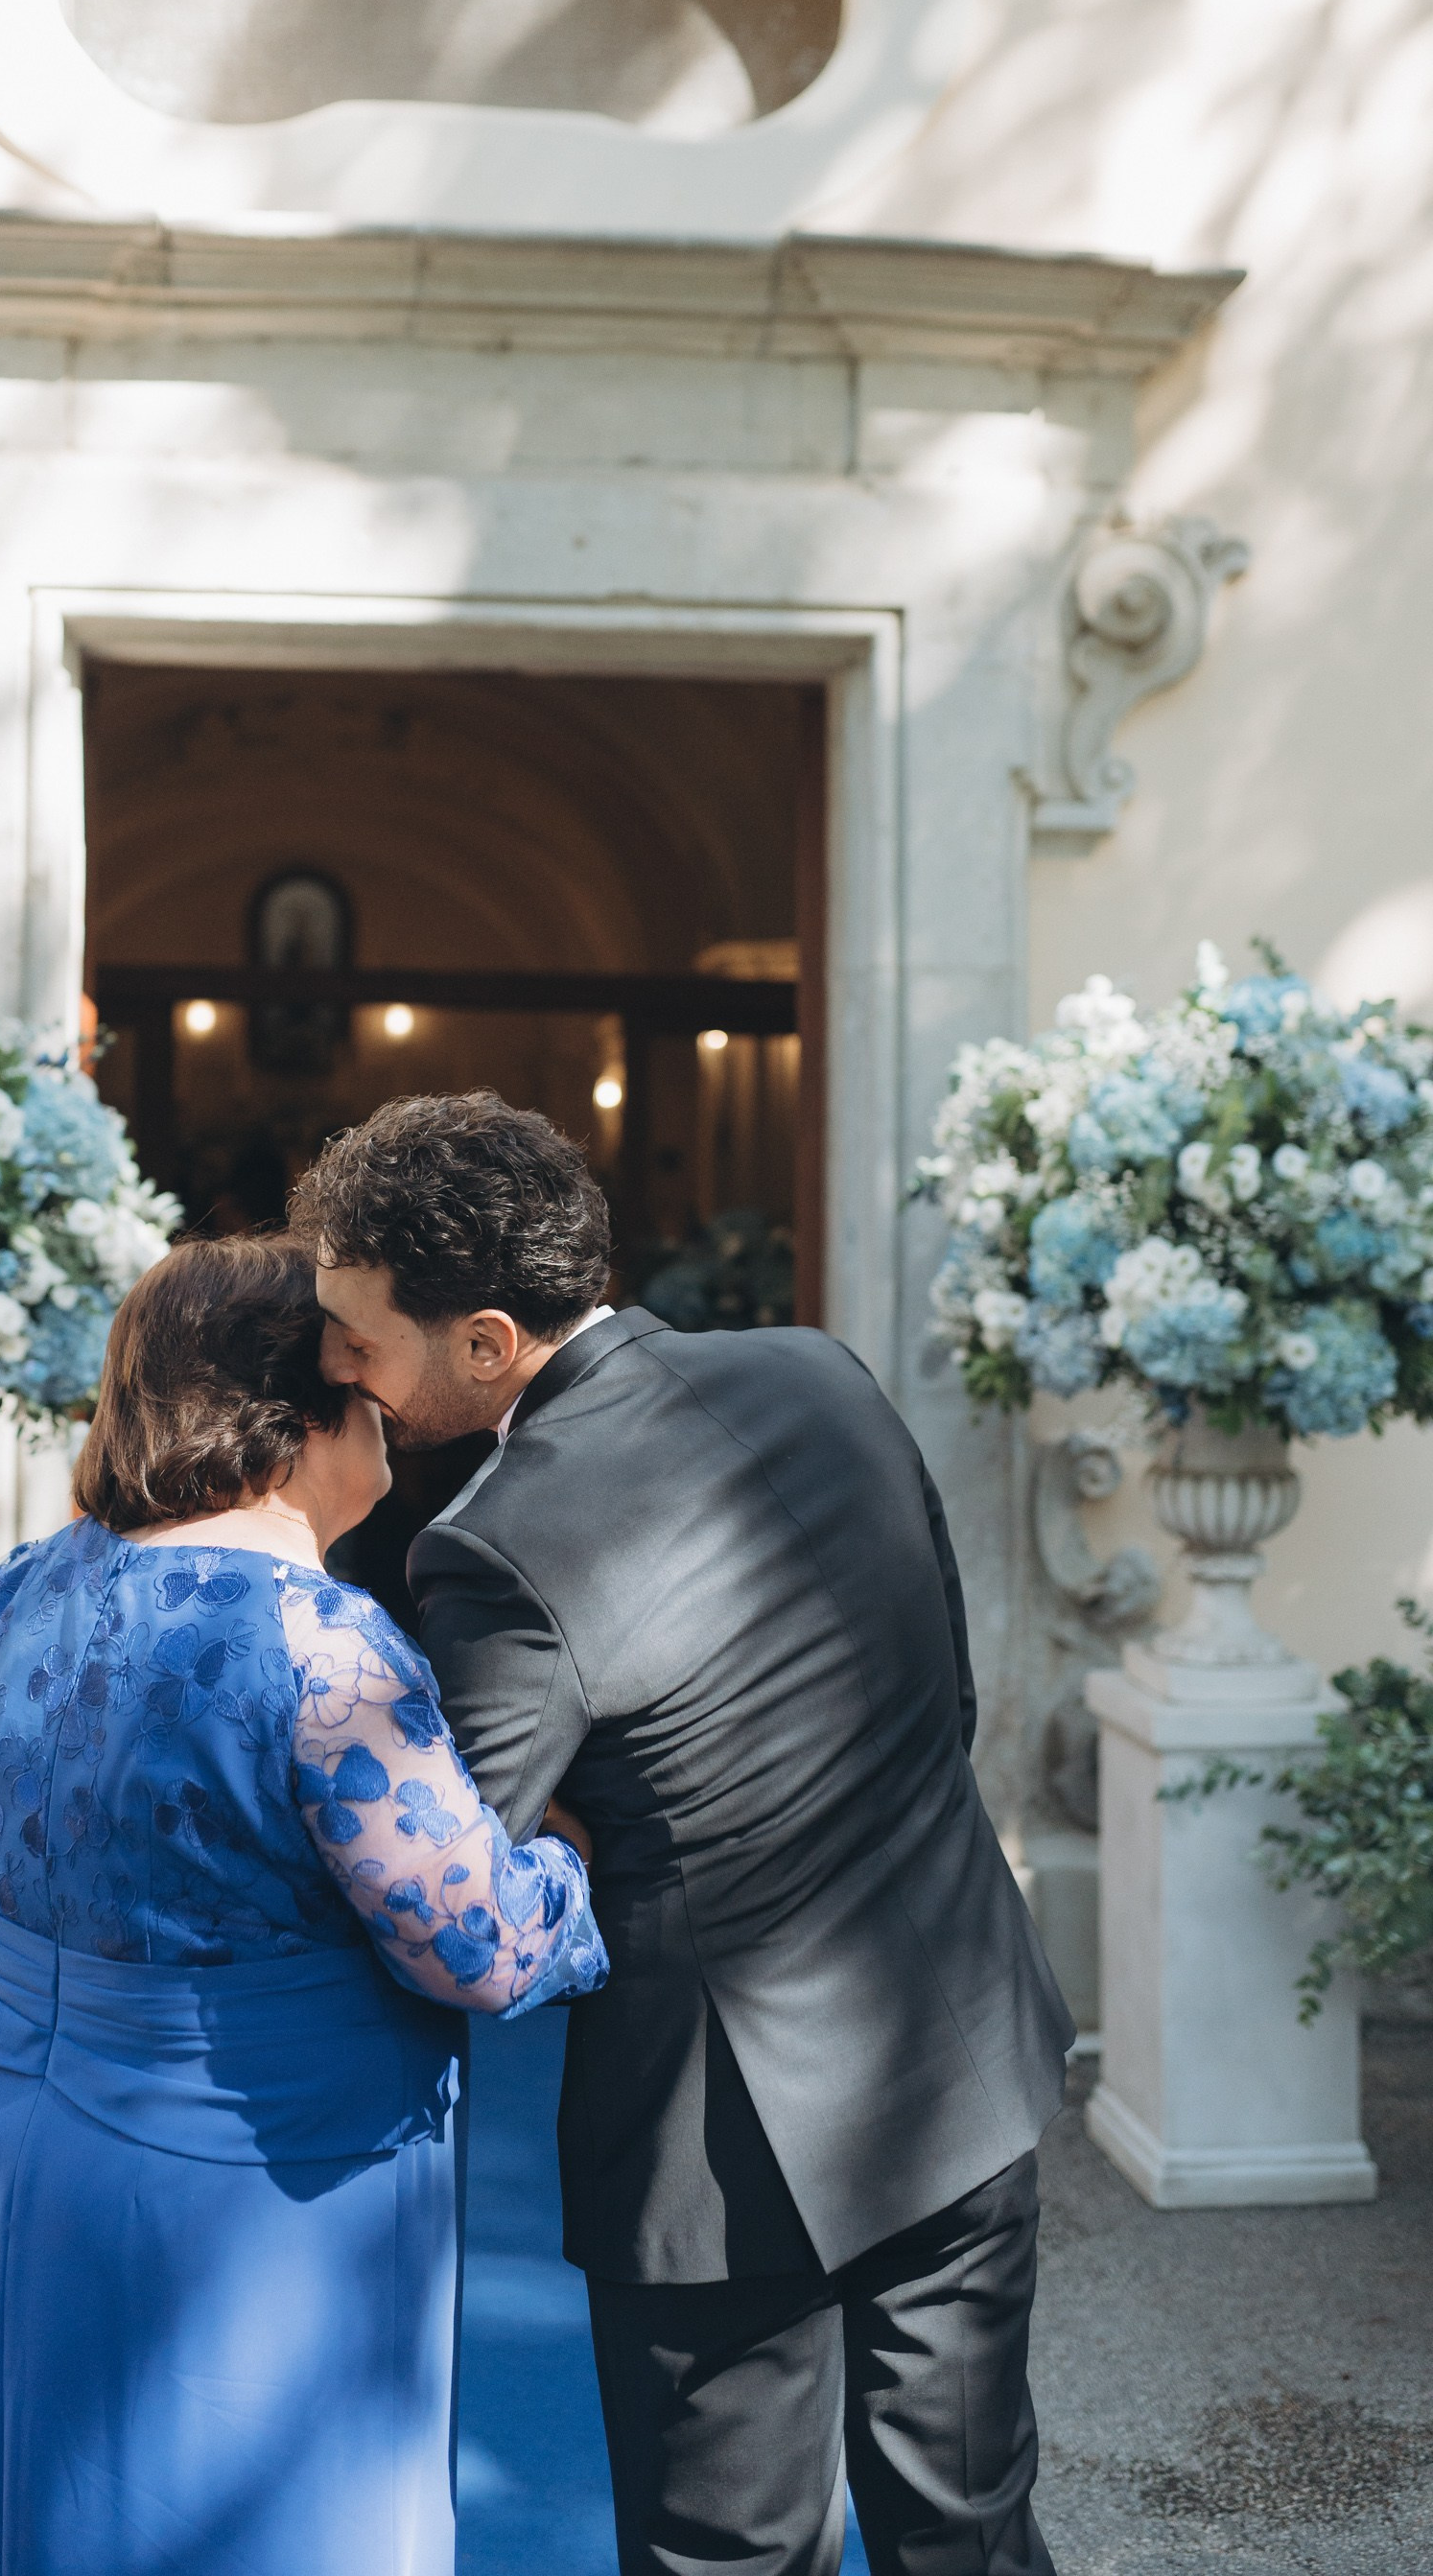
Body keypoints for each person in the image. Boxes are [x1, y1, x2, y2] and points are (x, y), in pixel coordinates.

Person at [296, 1091, 1075, 2576]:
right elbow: (946, 1686)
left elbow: (454, 1879)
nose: (341, 1370)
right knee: (972, 2530)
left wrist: (598, 1835)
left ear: (482, 1341)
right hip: (961, 2040)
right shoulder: (821, 1371)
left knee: (731, 2555)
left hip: (724, 2147)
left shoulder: (496, 1541)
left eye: (360, 1339)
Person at [0, 1234, 606, 2576]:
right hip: (248, 2155)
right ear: (298, 1412)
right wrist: (571, 1854)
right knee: (267, 2518)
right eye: (361, 1372)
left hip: (13, 2107)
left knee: (50, 2494)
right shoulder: (325, 1641)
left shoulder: (24, 1586)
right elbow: (475, 1946)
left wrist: (41, 1912)